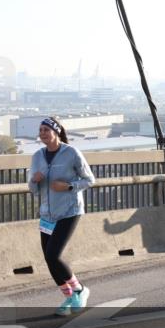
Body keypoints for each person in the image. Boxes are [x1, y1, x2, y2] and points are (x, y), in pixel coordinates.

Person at [29, 117, 96, 316]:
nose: (42, 133)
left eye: (46, 130)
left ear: (56, 132)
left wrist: (68, 186)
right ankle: (69, 296)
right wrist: (35, 179)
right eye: (40, 130)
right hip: (47, 213)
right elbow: (32, 189)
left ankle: (80, 290)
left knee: (53, 255)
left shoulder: (71, 153)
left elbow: (90, 180)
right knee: (48, 260)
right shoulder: (37, 156)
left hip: (69, 211)